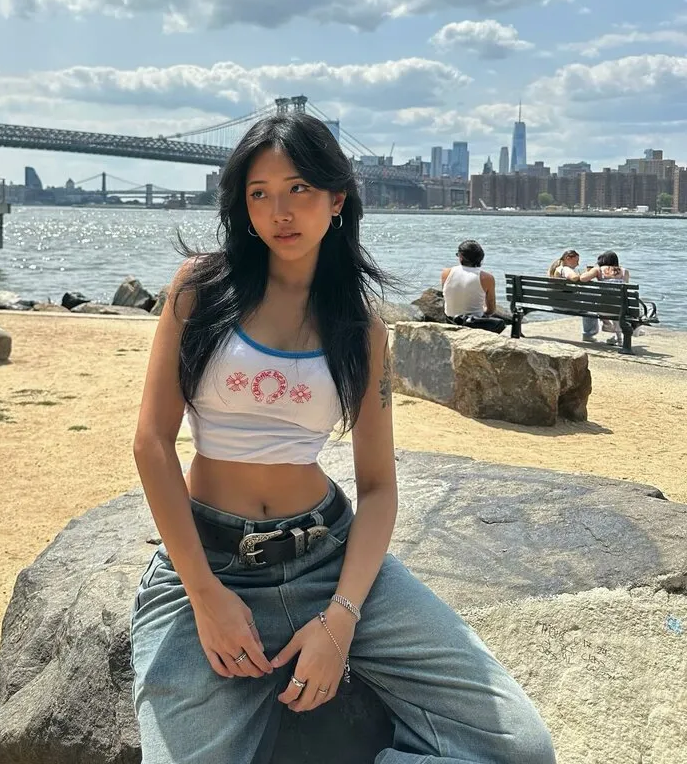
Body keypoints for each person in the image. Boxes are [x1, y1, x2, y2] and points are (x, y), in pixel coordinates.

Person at [129, 114, 555, 764]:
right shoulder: (201, 288)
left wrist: (342, 617)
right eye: (259, 193)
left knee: (520, 751)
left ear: (337, 199)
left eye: (298, 189)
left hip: (328, 554)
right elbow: (153, 443)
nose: (280, 211)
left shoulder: (360, 327)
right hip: (211, 562)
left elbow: (378, 488)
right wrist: (205, 596)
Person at [440, 239, 506, 334]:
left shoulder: (446, 273)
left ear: (461, 257)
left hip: (450, 320)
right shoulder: (487, 277)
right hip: (475, 324)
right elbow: (491, 310)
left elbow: (448, 296)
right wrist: (483, 310)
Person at [548, 249, 599, 342]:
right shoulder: (564, 269)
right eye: (576, 261)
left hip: (555, 304)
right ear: (568, 258)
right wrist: (584, 275)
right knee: (590, 304)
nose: (578, 264)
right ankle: (588, 334)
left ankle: (590, 333)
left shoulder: (555, 268)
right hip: (566, 306)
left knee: (588, 300)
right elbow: (574, 277)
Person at [580, 251, 631, 346]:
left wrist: (589, 272)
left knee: (595, 301)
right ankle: (619, 338)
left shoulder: (598, 270)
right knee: (617, 302)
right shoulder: (625, 271)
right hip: (620, 310)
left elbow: (582, 278)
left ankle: (606, 323)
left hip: (602, 310)